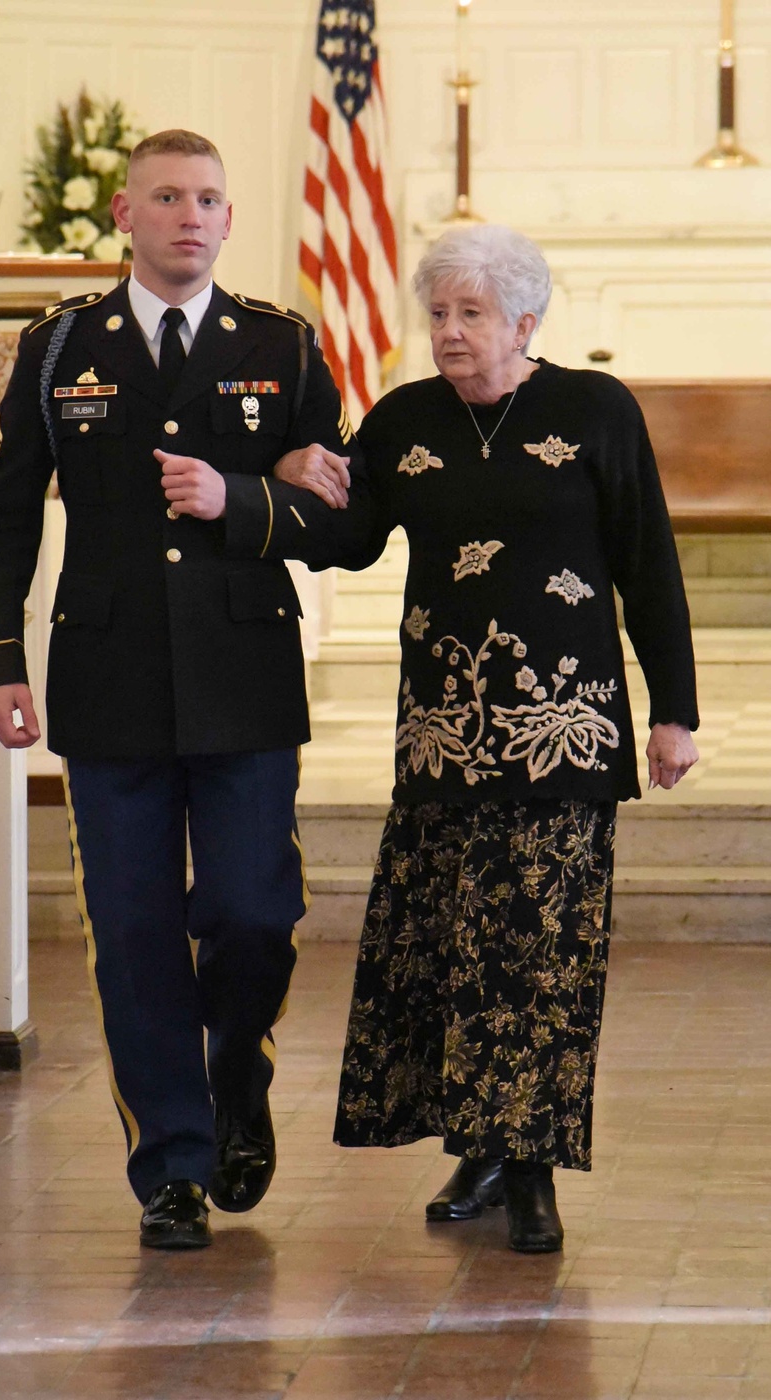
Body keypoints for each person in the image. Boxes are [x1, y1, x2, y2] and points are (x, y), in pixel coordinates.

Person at [0, 130, 369, 1249]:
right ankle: (174, 1163)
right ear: (125, 215)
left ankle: (238, 1071)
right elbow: (2, 517)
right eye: (168, 197)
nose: (191, 215)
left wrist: (241, 496)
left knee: (251, 912)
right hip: (108, 681)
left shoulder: (281, 345)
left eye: (209, 199)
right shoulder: (57, 350)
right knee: (134, 930)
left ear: (230, 221)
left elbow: (340, 530)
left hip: (244, 679)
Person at [313, 224, 699, 1253]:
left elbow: (646, 559)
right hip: (444, 735)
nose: (448, 331)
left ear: (524, 320)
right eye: (437, 313)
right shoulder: (400, 420)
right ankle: (478, 1146)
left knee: (543, 955)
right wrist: (278, 482)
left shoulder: (594, 409)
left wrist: (674, 711)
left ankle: (533, 1169)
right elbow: (345, 545)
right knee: (451, 947)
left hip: (564, 732)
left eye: (471, 313)